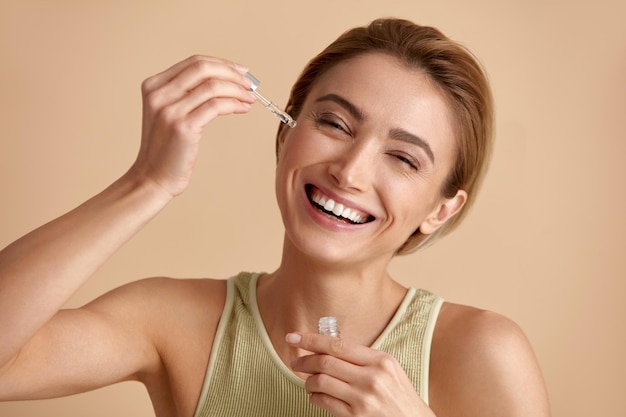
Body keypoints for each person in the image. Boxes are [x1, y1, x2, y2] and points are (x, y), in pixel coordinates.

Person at [0, 18, 550, 417]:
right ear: (286, 133)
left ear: (440, 210)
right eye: (334, 124)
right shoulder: (174, 323)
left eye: (403, 158)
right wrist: (147, 181)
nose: (351, 171)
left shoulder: (481, 352)